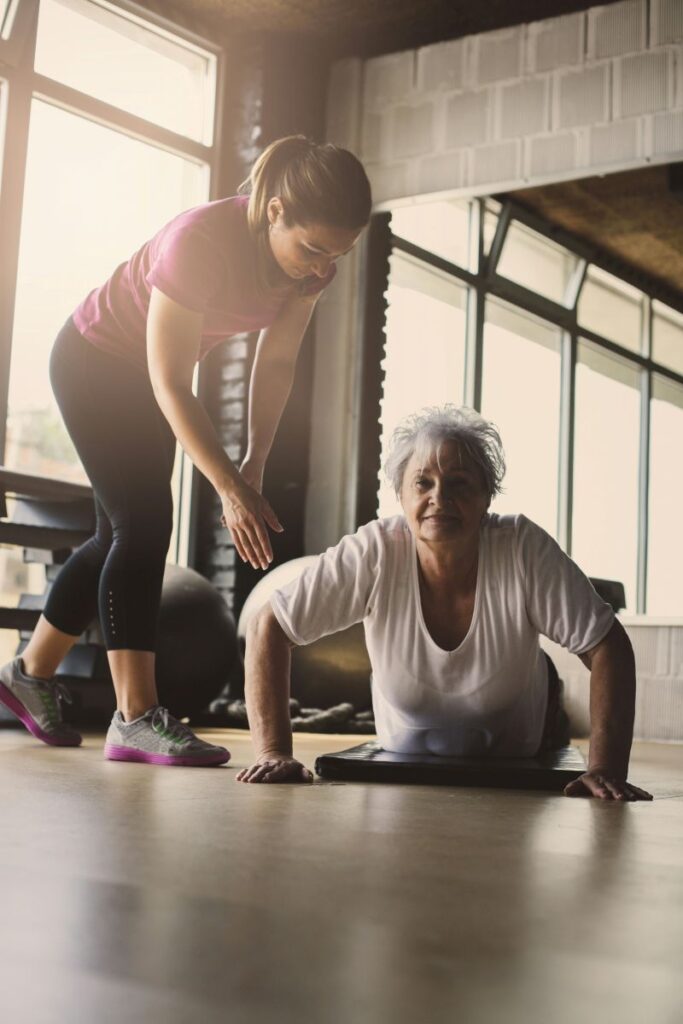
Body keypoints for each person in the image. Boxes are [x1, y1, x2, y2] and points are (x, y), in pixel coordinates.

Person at [0, 135, 371, 766]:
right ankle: (136, 718)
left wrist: (253, 463)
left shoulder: (312, 267)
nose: (321, 268)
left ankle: (28, 675)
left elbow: (275, 362)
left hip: (148, 378)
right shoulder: (198, 242)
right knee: (144, 525)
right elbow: (171, 381)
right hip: (94, 361)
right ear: (274, 210)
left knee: (114, 533)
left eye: (336, 255)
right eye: (313, 249)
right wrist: (228, 486)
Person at [237, 406, 653, 801]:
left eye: (459, 483)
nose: (440, 497)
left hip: (525, 738)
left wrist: (607, 768)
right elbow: (267, 625)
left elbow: (607, 644)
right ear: (400, 494)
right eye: (423, 483)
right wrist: (272, 751)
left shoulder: (522, 547)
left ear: (487, 496)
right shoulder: (375, 549)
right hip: (405, 751)